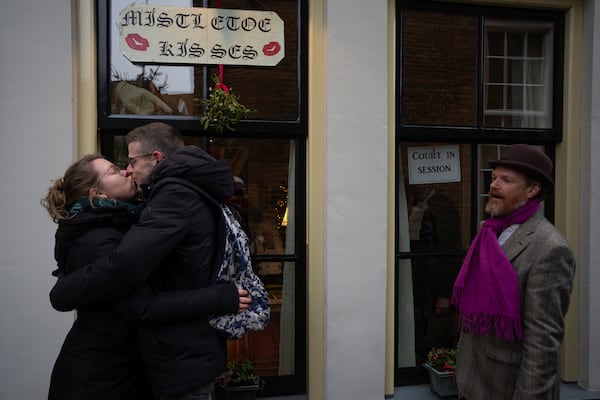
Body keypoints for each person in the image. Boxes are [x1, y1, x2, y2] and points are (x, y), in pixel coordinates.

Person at [49, 122, 251, 400]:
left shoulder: (146, 210)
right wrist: (63, 292)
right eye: (116, 169)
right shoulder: (97, 236)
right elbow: (138, 301)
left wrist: (65, 289)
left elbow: (127, 273)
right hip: (98, 378)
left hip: (127, 371)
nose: (127, 170)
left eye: (129, 163)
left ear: (155, 158)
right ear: (98, 194)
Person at [451, 144, 576, 400]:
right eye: (494, 177)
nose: (494, 185)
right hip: (471, 381)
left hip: (506, 388)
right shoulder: (489, 232)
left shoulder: (550, 248)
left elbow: (542, 344)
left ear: (532, 189)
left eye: (506, 180)